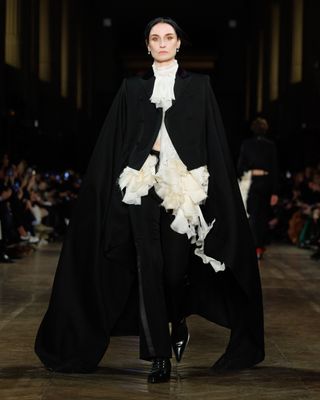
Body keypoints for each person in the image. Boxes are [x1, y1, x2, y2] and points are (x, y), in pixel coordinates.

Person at [34, 17, 265, 383]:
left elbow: (213, 141)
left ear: (178, 44)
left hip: (182, 188)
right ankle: (158, 356)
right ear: (147, 46)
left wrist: (221, 195)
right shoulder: (131, 88)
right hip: (141, 185)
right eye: (155, 38)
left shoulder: (200, 87)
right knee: (148, 269)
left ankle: (177, 321)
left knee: (174, 272)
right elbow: (115, 141)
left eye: (168, 37)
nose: (162, 43)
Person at [237, 117, 279, 260]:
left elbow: (240, 167)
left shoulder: (246, 144)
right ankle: (257, 246)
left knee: (254, 216)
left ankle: (256, 247)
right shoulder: (270, 145)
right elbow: (274, 169)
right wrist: (275, 192)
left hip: (253, 183)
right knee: (261, 216)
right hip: (265, 183)